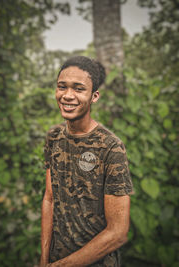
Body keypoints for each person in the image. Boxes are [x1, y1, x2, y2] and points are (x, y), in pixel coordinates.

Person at [40, 56, 133, 267]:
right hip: (56, 259)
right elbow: (50, 199)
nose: (67, 96)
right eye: (62, 87)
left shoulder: (110, 147)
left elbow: (118, 233)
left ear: (94, 96)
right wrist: (45, 259)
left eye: (79, 89)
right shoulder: (54, 138)